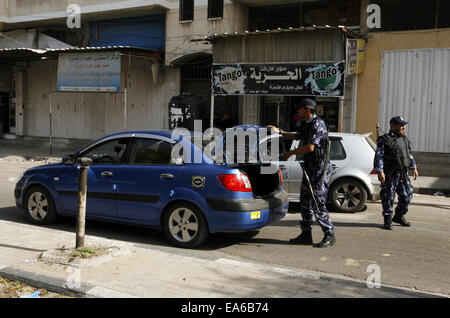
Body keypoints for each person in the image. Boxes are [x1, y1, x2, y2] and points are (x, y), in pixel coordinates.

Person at [268, 98, 335, 248]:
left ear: (308, 109)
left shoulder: (318, 124)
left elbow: (311, 147)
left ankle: (329, 233)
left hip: (320, 169)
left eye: (300, 108)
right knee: (304, 201)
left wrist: (291, 153)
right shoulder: (306, 124)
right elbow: (298, 136)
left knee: (318, 201)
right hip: (310, 169)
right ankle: (306, 234)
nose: (297, 111)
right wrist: (280, 132)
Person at [374, 116, 419, 230]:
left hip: (402, 173)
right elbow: (378, 156)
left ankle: (398, 216)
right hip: (390, 174)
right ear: (393, 126)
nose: (403, 127)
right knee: (388, 197)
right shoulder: (384, 140)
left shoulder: (404, 139)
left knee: (407, 195)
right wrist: (380, 171)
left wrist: (414, 167)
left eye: (403, 125)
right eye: (401, 125)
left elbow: (408, 154)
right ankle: (387, 219)